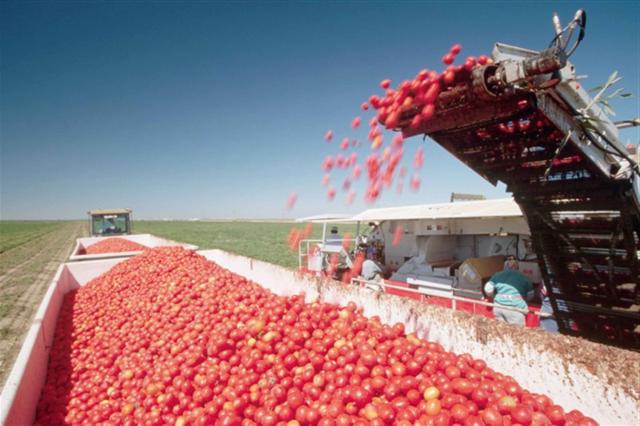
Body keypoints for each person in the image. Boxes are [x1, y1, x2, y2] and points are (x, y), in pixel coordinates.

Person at [484, 256, 533, 326]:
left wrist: (493, 296)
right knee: (517, 334)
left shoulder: (497, 275)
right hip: (516, 310)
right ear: (517, 266)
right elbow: (531, 295)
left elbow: (488, 289)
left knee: (501, 332)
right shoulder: (524, 277)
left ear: (504, 265)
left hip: (498, 308)